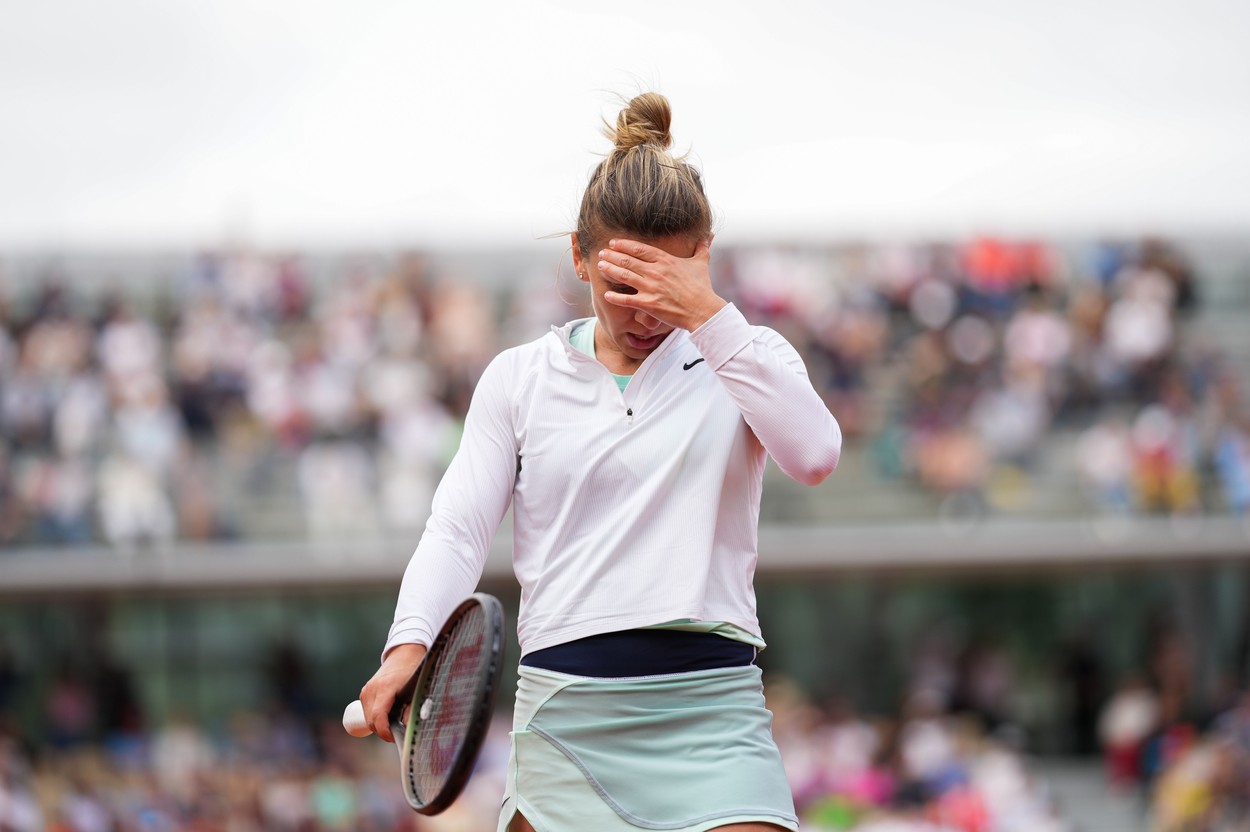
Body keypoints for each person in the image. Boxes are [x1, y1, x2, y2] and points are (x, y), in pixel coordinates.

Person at [358, 92, 843, 832]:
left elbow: (814, 455)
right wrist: (408, 647)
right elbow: (457, 529)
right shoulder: (518, 378)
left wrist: (709, 315)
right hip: (564, 721)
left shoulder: (749, 357)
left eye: (664, 284)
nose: (645, 313)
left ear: (702, 253)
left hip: (713, 717)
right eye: (622, 286)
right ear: (578, 256)